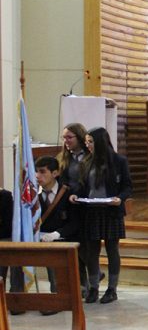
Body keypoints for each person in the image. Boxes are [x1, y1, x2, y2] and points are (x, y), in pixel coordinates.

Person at [69, 127, 132, 304]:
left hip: (111, 210)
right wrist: (75, 195)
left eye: (91, 141)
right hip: (91, 210)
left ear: (100, 142)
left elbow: (127, 187)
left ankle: (112, 289)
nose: (87, 145)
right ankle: (94, 287)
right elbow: (82, 186)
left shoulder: (119, 160)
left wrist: (120, 199)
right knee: (91, 251)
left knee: (112, 250)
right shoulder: (87, 161)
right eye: (87, 142)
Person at [7, 157, 79, 303]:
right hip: (38, 238)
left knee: (53, 255)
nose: (37, 176)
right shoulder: (33, 197)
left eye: (42, 172)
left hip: (61, 239)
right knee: (16, 255)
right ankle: (17, 298)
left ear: (55, 173)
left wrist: (56, 234)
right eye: (36, 172)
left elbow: (75, 223)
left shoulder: (68, 194)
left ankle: (55, 298)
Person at [58, 123, 91, 291]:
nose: (66, 141)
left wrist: (81, 194)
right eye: (64, 138)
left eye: (69, 137)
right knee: (74, 243)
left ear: (79, 137)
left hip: (87, 204)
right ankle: (82, 284)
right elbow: (62, 180)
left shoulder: (89, 156)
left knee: (85, 244)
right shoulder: (64, 157)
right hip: (70, 204)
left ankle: (92, 274)